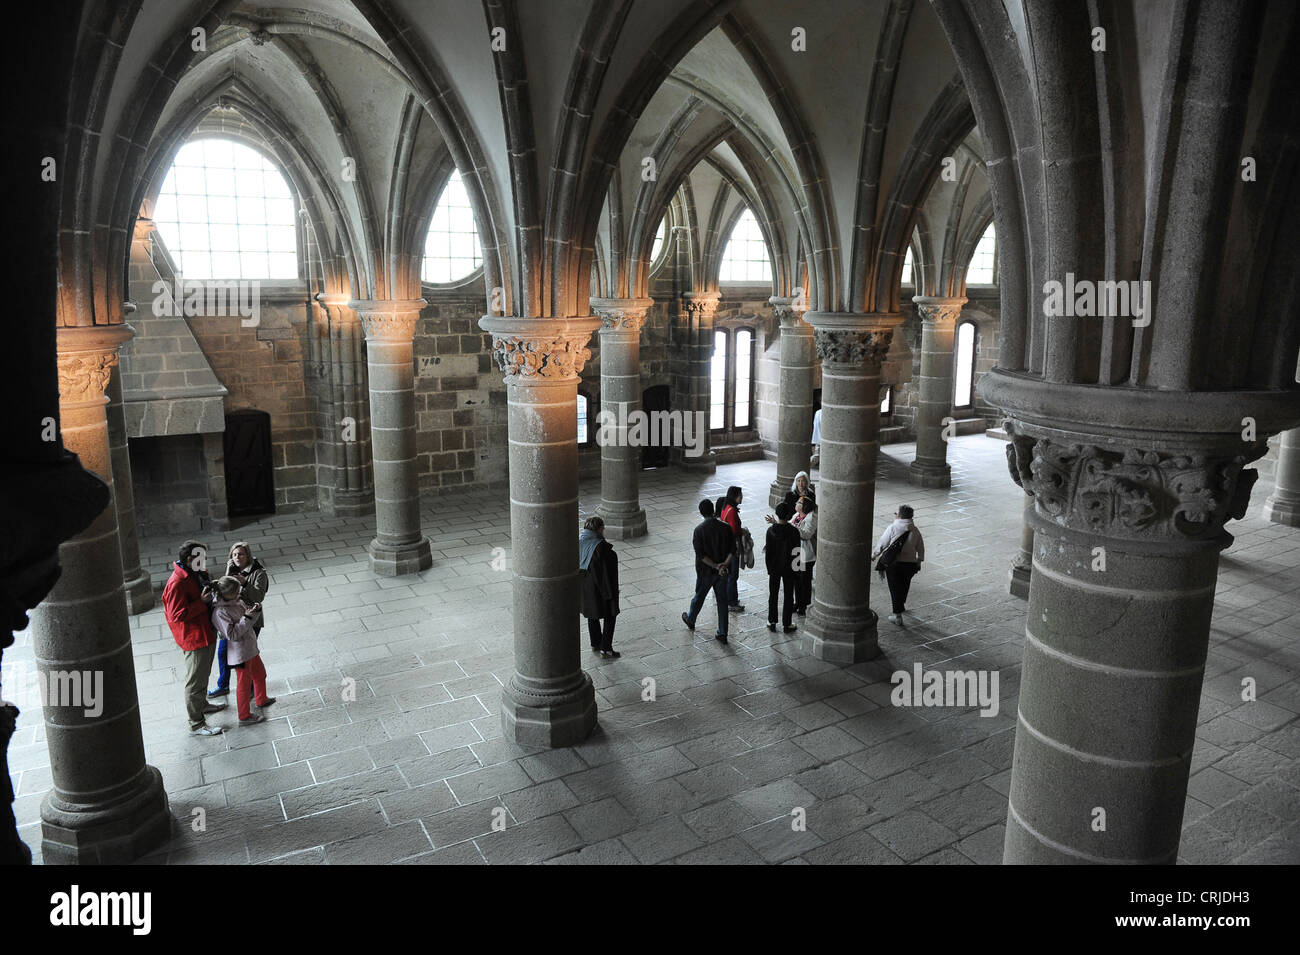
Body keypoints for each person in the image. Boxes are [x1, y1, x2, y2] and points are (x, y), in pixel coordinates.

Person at [162, 540, 226, 736]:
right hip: (195, 637)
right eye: (202, 558)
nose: (205, 561)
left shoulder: (196, 572)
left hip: (205, 630)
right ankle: (196, 723)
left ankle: (203, 705)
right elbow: (176, 615)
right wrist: (202, 602)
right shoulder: (177, 582)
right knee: (195, 682)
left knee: (203, 673)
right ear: (190, 559)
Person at [209, 576, 275, 724]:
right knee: (244, 685)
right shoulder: (219, 613)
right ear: (227, 593)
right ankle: (244, 716)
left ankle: (261, 699)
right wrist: (246, 617)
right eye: (237, 590)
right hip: (240, 654)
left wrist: (255, 611)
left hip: (250, 648)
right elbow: (232, 635)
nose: (240, 593)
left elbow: (248, 620)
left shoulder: (237, 601)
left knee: (260, 674)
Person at [210, 541, 271, 698]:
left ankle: (251, 689)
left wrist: (244, 584)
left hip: (250, 619)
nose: (237, 557)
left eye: (241, 554)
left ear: (248, 555)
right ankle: (223, 685)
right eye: (234, 554)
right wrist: (228, 572)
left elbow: (258, 597)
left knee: (247, 656)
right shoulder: (232, 570)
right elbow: (223, 590)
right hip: (229, 620)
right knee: (223, 653)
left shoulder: (259, 572)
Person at [682, 498, 735, 644]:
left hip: (706, 572)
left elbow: (701, 555)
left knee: (699, 596)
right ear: (713, 510)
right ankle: (722, 632)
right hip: (722, 573)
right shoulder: (726, 527)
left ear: (701, 513)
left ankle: (691, 619)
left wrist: (715, 566)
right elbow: (733, 550)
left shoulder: (699, 530)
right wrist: (724, 565)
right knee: (722, 601)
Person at [871, 504, 925, 623]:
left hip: (894, 564)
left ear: (899, 515)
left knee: (894, 588)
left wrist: (874, 555)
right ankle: (901, 605)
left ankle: (897, 615)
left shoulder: (893, 528)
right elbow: (920, 547)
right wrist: (919, 560)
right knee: (904, 585)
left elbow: (882, 543)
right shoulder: (915, 530)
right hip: (910, 564)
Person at [578, 516, 621, 659]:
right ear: (599, 529)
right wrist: (610, 593)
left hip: (584, 588)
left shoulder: (578, 541)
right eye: (602, 528)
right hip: (600, 588)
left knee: (592, 614)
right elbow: (604, 572)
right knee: (610, 615)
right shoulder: (600, 547)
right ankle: (606, 649)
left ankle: (596, 643)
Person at [764, 501, 802, 633]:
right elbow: (797, 551)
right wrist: (798, 570)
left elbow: (768, 552)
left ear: (777, 514)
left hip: (774, 567)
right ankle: (787, 623)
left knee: (773, 594)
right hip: (789, 568)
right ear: (789, 515)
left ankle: (772, 620)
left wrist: (769, 568)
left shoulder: (770, 531)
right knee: (788, 595)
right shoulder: (794, 532)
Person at [718, 486, 745, 612]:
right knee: (733, 575)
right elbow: (734, 530)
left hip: (725, 545)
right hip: (732, 546)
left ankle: (731, 597)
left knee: (730, 574)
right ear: (734, 496)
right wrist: (742, 534)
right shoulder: (732, 511)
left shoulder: (725, 507)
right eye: (740, 495)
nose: (742, 497)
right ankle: (732, 602)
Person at [793, 496, 817, 615]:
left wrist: (794, 529)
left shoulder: (811, 519)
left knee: (805, 581)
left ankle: (804, 605)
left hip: (806, 554)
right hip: (796, 552)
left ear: (804, 506)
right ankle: (797, 602)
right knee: (797, 580)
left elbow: (807, 535)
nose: (796, 503)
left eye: (799, 502)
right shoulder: (796, 516)